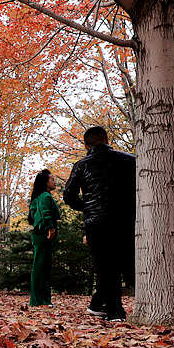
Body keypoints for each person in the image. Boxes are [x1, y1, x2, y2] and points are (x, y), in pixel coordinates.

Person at [63, 126, 137, 322]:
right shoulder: (130, 160)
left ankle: (114, 311)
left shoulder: (81, 165)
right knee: (128, 263)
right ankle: (102, 305)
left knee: (105, 267)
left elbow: (68, 196)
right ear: (106, 139)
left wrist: (87, 207)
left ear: (86, 145)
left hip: (96, 222)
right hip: (126, 219)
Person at [28, 170, 60, 307]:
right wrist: (50, 228)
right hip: (43, 235)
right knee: (42, 267)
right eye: (52, 179)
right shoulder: (45, 196)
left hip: (39, 235)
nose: (54, 181)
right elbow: (45, 213)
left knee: (42, 267)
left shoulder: (38, 197)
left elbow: (33, 217)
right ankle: (38, 301)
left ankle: (43, 300)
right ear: (45, 183)